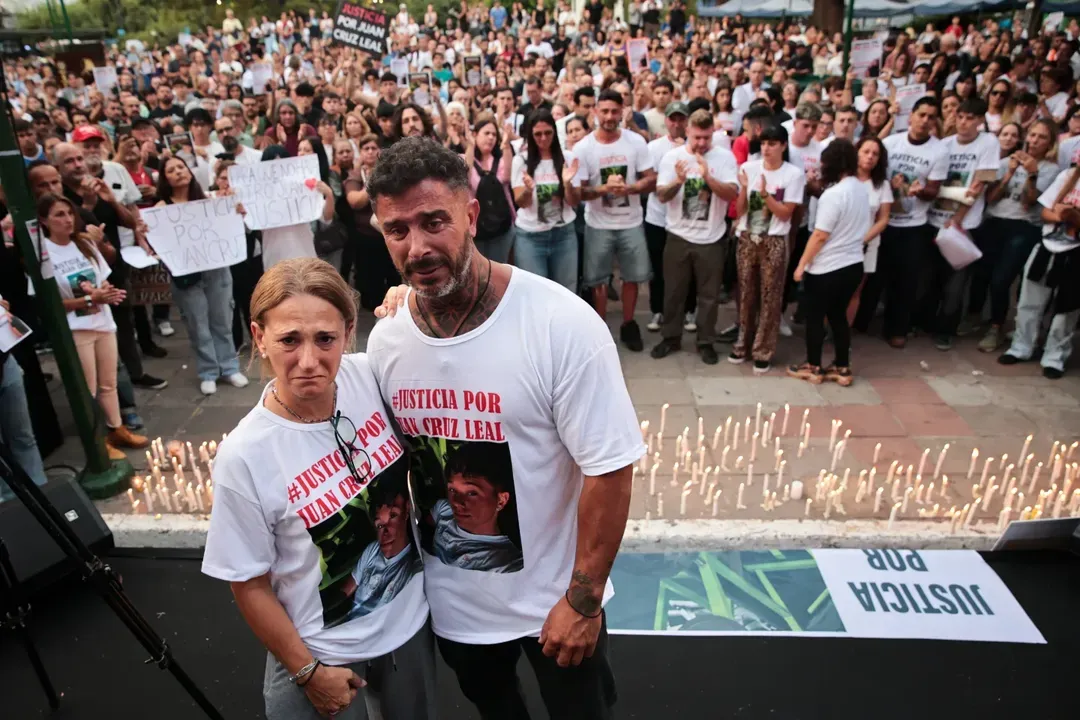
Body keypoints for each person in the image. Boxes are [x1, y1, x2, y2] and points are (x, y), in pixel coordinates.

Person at [366, 137, 641, 719]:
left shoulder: (562, 325)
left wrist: (583, 602)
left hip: (556, 602)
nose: (417, 247)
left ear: (471, 215)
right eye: (397, 230)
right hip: (455, 611)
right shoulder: (387, 340)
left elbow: (610, 468)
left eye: (433, 221)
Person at [202, 258, 435, 720]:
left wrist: (409, 298)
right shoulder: (245, 455)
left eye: (325, 338)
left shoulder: (369, 375)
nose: (309, 360)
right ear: (259, 336)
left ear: (348, 332)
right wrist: (307, 671)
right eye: (289, 339)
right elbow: (248, 584)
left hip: (407, 628)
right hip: (323, 654)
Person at [36, 193, 149, 459]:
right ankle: (97, 441)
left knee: (109, 382)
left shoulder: (84, 244)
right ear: (44, 220)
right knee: (88, 387)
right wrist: (89, 298)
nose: (67, 219)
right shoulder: (44, 255)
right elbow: (50, 303)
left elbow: (103, 279)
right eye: (59, 215)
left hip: (102, 321)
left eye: (69, 213)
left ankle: (116, 428)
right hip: (77, 329)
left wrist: (106, 292)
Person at [649, 109, 739, 365]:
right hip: (678, 235)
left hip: (711, 238)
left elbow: (732, 193)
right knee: (674, 291)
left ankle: (705, 341)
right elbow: (662, 195)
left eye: (706, 138)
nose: (701, 143)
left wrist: (708, 176)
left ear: (713, 134)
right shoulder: (672, 157)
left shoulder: (724, 158)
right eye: (697, 137)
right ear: (687, 131)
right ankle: (670, 337)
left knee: (709, 295)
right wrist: (679, 180)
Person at [154, 157, 249, 396]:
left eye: (181, 167)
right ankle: (208, 371)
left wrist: (235, 210)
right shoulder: (161, 208)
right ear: (165, 178)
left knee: (222, 320)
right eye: (171, 170)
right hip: (187, 275)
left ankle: (229, 366)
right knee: (198, 324)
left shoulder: (208, 200)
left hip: (215, 269)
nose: (178, 172)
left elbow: (231, 223)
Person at [573, 88, 656, 351]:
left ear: (622, 112)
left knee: (632, 278)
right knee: (597, 281)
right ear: (595, 112)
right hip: (598, 223)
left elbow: (651, 179)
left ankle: (628, 324)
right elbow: (579, 191)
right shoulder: (583, 147)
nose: (609, 116)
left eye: (614, 111)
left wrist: (630, 188)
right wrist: (603, 190)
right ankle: (600, 329)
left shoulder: (636, 142)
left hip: (631, 221)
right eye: (604, 111)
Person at [972, 119, 1059, 353]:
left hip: (1024, 227)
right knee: (982, 273)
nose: (1034, 141)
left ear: (1050, 143)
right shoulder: (1004, 162)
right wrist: (1009, 173)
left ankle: (997, 326)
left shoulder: (1051, 170)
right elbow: (991, 198)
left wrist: (1032, 174)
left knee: (1002, 278)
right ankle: (977, 318)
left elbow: (1030, 202)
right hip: (994, 222)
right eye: (1032, 135)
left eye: (1041, 137)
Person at [788, 140, 870, 386]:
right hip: (854, 264)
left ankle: (813, 366)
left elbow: (820, 235)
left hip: (827, 268)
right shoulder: (861, 190)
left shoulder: (833, 195)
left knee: (815, 317)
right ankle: (842, 367)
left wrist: (802, 264)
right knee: (838, 317)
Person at [731, 124, 804, 374]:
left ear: (783, 146)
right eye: (763, 143)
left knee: (770, 295)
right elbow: (739, 211)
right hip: (748, 236)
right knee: (745, 292)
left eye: (772, 144)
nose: (766, 149)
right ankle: (742, 343)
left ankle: (763, 349)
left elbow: (785, 214)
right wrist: (743, 188)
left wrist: (765, 196)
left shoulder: (793, 175)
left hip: (773, 239)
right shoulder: (749, 168)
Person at [998, 163, 1080, 379]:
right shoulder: (1068, 175)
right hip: (1048, 245)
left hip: (1076, 253)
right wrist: (1061, 217)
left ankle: (1055, 357)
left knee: (1067, 310)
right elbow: (1044, 211)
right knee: (1029, 300)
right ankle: (1021, 347)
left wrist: (1074, 218)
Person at [877, 98, 947, 348]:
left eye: (931, 116)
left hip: (914, 225)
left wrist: (920, 192)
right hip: (883, 221)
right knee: (875, 275)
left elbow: (934, 190)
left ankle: (897, 328)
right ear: (911, 116)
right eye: (921, 114)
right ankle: (863, 324)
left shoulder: (939, 150)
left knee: (906, 280)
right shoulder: (890, 143)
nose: (925, 120)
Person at [511, 109, 580, 290]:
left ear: (555, 132)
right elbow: (521, 202)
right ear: (530, 135)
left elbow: (574, 202)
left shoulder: (567, 158)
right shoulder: (521, 161)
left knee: (566, 290)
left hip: (563, 233)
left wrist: (568, 184)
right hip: (531, 236)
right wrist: (527, 189)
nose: (543, 138)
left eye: (548, 133)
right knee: (535, 292)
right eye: (538, 134)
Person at [258, 145, 336, 269]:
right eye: (272, 166)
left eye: (282, 165)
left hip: (304, 256)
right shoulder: (257, 194)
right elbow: (249, 224)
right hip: (274, 260)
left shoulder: (303, 188)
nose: (277, 170)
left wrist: (329, 195)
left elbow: (326, 217)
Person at [464, 114, 516, 263]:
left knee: (500, 269)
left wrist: (506, 145)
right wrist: (470, 146)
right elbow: (464, 179)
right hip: (476, 229)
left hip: (502, 228)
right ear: (475, 135)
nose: (491, 138)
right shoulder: (465, 158)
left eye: (494, 134)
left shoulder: (500, 159)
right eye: (486, 133)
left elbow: (506, 177)